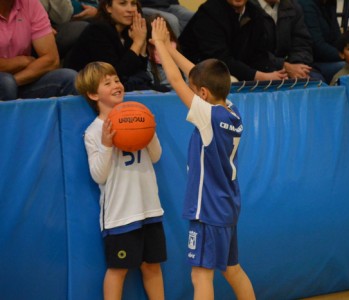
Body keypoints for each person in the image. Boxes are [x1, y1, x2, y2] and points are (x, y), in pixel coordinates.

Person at [151, 17, 256, 300]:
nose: (191, 88)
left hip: (207, 209)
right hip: (227, 205)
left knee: (201, 275)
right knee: (232, 269)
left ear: (203, 94)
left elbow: (175, 80)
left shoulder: (208, 116)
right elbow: (195, 75)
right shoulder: (232, 111)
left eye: (195, 89)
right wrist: (172, 50)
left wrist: (160, 45)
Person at [76, 61, 166, 300]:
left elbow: (156, 157)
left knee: (152, 266)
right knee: (118, 270)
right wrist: (106, 145)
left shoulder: (140, 117)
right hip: (120, 214)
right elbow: (98, 175)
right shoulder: (93, 132)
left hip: (149, 208)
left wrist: (150, 131)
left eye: (116, 80)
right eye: (107, 83)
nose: (116, 85)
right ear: (94, 94)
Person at [65, 0, 167, 92]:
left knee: (164, 90)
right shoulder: (97, 30)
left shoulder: (129, 31)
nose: (130, 9)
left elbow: (140, 70)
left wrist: (142, 44)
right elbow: (115, 75)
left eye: (133, 3)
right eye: (123, 3)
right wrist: (137, 43)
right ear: (108, 8)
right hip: (92, 89)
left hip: (121, 86)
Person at [179, 0, 288, 82]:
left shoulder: (255, 14)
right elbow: (219, 59)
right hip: (198, 69)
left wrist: (273, 73)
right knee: (231, 82)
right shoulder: (209, 13)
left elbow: (258, 55)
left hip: (232, 68)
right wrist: (260, 76)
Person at [0, 0, 77, 101]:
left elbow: (51, 60)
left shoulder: (30, 3)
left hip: (20, 79)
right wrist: (23, 61)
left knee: (70, 78)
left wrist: (15, 81)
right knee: (5, 83)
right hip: (7, 79)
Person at [251, 0, 324, 81]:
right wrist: (283, 66)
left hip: (292, 64)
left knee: (317, 83)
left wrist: (298, 67)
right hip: (261, 70)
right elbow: (253, 53)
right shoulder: (249, 8)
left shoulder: (292, 7)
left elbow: (302, 43)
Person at [297, 0, 344, 83]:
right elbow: (317, 46)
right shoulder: (306, 5)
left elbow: (337, 37)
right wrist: (344, 55)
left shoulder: (330, 3)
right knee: (348, 67)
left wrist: (347, 50)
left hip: (328, 58)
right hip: (311, 61)